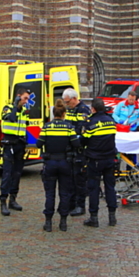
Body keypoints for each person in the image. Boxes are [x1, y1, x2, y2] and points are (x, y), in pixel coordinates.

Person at [36, 99, 81, 232]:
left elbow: (39, 144)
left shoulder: (47, 127)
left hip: (50, 163)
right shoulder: (69, 127)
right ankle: (63, 222)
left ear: (53, 113)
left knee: (50, 194)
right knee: (64, 194)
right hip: (65, 163)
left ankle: (48, 222)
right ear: (64, 114)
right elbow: (76, 144)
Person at [81, 98, 119, 227]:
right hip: (109, 159)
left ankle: (94, 218)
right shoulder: (111, 122)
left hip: (95, 160)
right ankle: (112, 217)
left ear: (93, 109)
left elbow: (83, 141)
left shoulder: (91, 123)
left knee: (93, 189)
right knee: (110, 187)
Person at [0, 88, 31, 216]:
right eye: (25, 98)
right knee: (7, 173)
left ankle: (13, 199)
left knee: (17, 174)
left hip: (19, 145)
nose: (26, 101)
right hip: (9, 144)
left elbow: (25, 126)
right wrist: (16, 106)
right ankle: (3, 201)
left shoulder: (24, 111)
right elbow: (11, 119)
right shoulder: (8, 108)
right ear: (18, 97)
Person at [62, 88, 91, 217]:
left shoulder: (83, 110)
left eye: (68, 102)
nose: (67, 105)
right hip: (70, 148)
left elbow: (81, 129)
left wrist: (70, 133)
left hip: (79, 149)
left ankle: (80, 206)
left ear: (74, 99)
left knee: (79, 179)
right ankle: (71, 204)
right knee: (70, 179)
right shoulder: (70, 109)